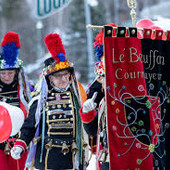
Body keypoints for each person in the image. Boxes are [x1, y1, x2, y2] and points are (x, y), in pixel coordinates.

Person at [11, 33, 88, 170]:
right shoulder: (40, 98)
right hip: (48, 158)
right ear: (49, 78)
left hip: (73, 158)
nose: (63, 79)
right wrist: (20, 144)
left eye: (66, 74)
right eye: (58, 76)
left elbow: (87, 126)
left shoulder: (77, 96)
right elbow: (29, 125)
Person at [0, 32, 31, 170]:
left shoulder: (25, 90)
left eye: (10, 73)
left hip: (19, 144)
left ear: (17, 72)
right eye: (3, 73)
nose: (7, 77)